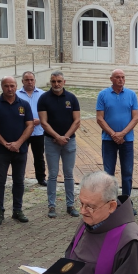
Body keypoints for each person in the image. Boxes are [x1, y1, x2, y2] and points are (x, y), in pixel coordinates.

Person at [0, 77, 34, 226]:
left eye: (12, 85)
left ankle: (17, 210)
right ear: (2, 87)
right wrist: (5, 143)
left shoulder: (24, 104)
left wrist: (18, 143)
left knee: (19, 181)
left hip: (20, 150)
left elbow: (30, 125)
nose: (10, 88)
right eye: (6, 86)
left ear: (16, 86)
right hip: (1, 151)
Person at [38, 72, 81, 218]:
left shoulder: (72, 98)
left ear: (64, 82)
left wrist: (65, 137)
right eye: (53, 81)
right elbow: (43, 122)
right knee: (52, 174)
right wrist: (57, 137)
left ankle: (70, 205)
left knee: (69, 174)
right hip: (51, 142)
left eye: (59, 81)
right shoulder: (44, 98)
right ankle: (51, 206)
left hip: (69, 141)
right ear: (50, 82)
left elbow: (77, 121)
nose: (56, 84)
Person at [96, 69, 138, 201]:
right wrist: (113, 134)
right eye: (118, 77)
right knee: (108, 173)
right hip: (108, 140)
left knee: (127, 173)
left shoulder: (131, 94)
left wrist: (122, 134)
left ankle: (126, 202)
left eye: (123, 77)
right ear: (111, 79)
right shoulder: (103, 95)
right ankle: (110, 201)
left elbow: (135, 118)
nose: (121, 79)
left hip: (127, 140)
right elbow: (99, 118)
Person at [16, 71, 46, 187]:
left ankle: (41, 178)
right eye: (27, 80)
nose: (29, 82)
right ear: (22, 81)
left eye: (31, 80)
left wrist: (40, 120)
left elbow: (48, 111)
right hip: (23, 132)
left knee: (39, 156)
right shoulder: (16, 95)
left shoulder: (42, 94)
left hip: (38, 131)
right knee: (21, 156)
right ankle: (19, 178)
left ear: (35, 81)